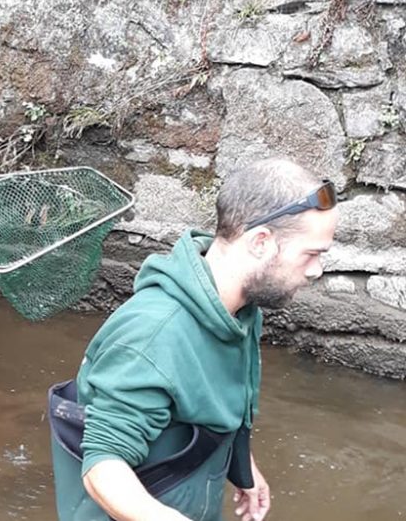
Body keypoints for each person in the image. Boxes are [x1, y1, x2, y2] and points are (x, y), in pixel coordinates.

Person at [51, 158, 338, 521]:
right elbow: (102, 468)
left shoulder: (241, 311)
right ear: (261, 242)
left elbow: (215, 406)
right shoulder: (153, 334)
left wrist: (241, 467)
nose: (316, 270)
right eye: (311, 254)